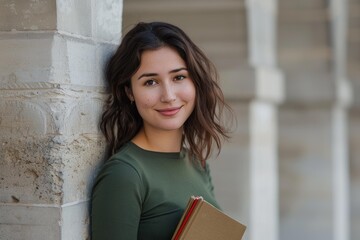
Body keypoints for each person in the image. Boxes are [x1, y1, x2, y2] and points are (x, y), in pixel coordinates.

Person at [91, 21, 232, 240]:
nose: (168, 95)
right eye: (150, 82)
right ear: (129, 92)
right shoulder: (125, 175)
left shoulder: (197, 163)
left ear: (195, 82)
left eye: (179, 77)